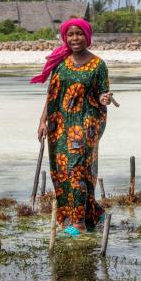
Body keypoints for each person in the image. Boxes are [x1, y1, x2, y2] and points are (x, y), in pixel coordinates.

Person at [32, 18, 113, 237]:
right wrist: (43, 121)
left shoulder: (98, 65)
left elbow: (102, 95)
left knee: (77, 171)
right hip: (60, 127)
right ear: (65, 37)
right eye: (70, 34)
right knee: (62, 173)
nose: (75, 38)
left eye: (79, 34)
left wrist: (105, 99)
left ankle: (78, 224)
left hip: (85, 126)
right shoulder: (60, 62)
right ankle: (92, 214)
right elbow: (52, 95)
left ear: (87, 36)